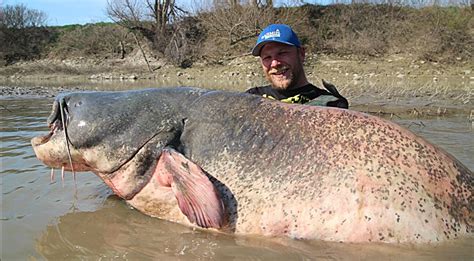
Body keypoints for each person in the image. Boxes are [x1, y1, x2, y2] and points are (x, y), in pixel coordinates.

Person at [246, 24, 348, 109]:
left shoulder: (332, 105)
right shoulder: (250, 98)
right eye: (267, 57)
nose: (275, 63)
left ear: (301, 54)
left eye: (282, 53)